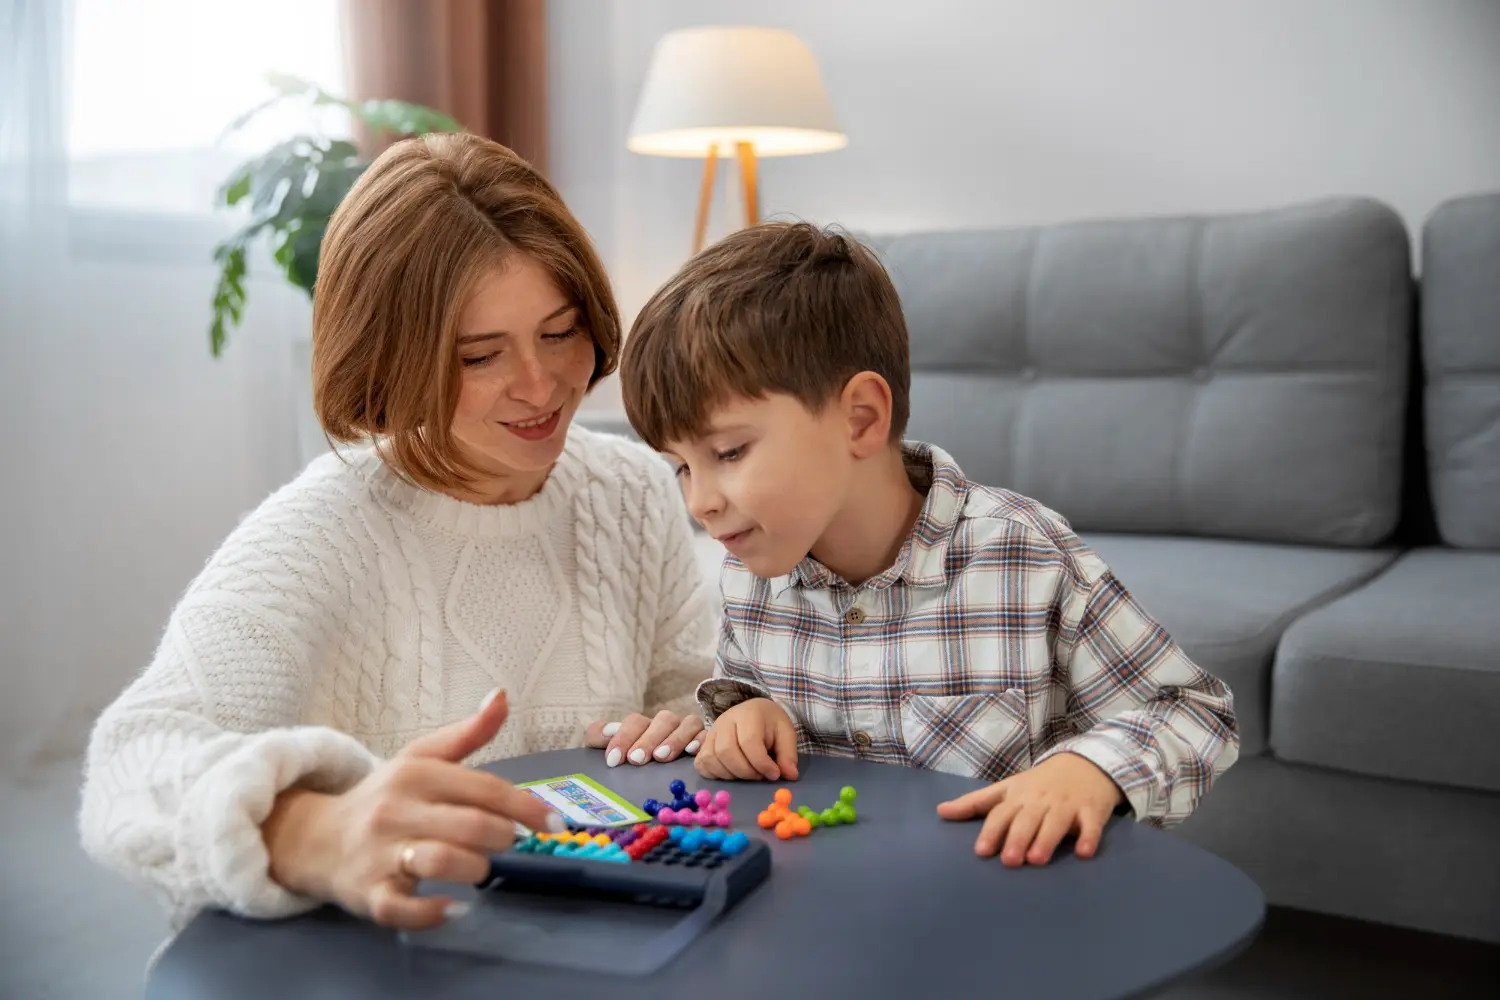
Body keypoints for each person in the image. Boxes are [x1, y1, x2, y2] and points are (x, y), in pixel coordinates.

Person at [78, 134, 715, 934]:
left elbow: (689, 685)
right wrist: (313, 832)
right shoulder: (319, 534)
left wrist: (688, 719)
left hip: (585, 930)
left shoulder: (633, 489)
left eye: (559, 332)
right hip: (394, 953)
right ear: (390, 364)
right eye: (480, 356)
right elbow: (130, 765)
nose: (541, 383)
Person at [618, 221, 1239, 868]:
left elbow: (1192, 715)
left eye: (728, 452)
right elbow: (742, 695)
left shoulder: (1025, 560)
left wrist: (1090, 772)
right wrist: (742, 719)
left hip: (1000, 924)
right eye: (682, 467)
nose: (700, 502)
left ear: (860, 418)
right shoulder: (752, 574)